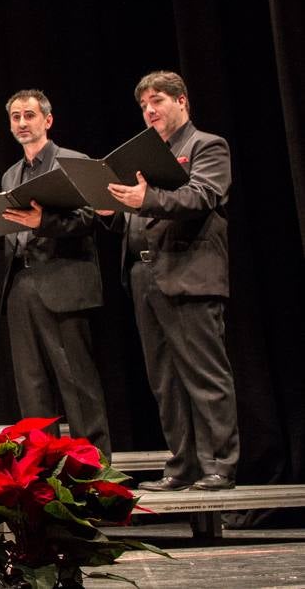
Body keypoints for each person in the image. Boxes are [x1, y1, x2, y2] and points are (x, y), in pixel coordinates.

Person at [105, 71, 237, 491]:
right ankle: (182, 465)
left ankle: (218, 463)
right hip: (145, 275)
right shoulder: (145, 156)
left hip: (189, 274)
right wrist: (113, 213)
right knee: (164, 379)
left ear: (182, 102)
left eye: (158, 100)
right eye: (144, 105)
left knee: (204, 374)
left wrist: (147, 199)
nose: (150, 110)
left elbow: (203, 196)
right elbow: (138, 213)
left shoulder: (207, 145)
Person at [0, 89, 111, 455]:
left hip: (63, 282)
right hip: (21, 284)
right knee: (31, 386)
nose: (22, 123)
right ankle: (41, 469)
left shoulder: (73, 161)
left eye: (29, 115)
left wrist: (44, 221)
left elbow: (94, 216)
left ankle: (92, 468)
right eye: (15, 116)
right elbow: (14, 230)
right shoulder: (11, 174)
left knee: (77, 383)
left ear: (47, 120)